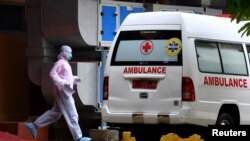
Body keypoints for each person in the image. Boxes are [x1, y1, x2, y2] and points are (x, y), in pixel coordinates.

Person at [25, 45, 91, 141]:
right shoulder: (60, 63)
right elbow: (52, 74)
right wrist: (63, 82)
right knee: (72, 114)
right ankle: (78, 137)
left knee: (55, 113)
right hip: (63, 92)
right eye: (69, 52)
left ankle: (34, 125)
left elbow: (65, 76)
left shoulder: (65, 63)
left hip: (64, 90)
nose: (70, 55)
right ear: (63, 52)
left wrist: (73, 79)